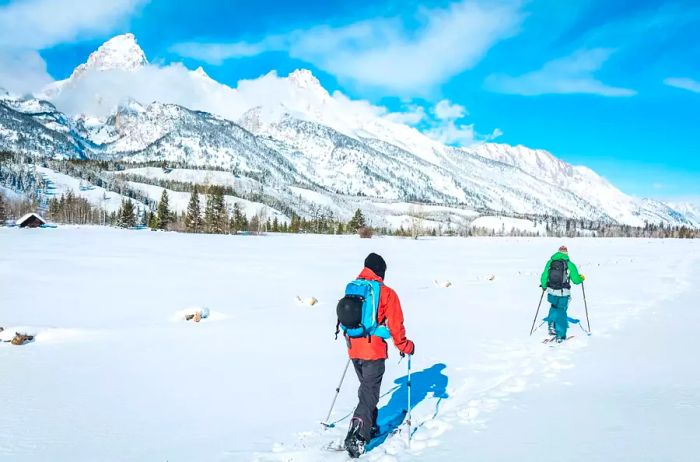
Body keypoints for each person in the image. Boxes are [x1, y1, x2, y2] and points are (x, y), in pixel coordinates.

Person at [344, 253, 415, 458]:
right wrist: (405, 346)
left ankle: (371, 425)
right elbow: (396, 325)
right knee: (369, 393)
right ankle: (357, 435)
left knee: (367, 390)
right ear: (381, 271)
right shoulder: (386, 293)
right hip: (372, 351)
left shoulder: (353, 287)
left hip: (353, 348)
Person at [539, 245, 585, 342]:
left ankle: (551, 325)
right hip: (563, 292)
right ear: (566, 253)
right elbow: (576, 280)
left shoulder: (550, 262)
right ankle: (560, 335)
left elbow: (544, 276)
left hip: (551, 290)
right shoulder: (569, 264)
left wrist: (544, 286)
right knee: (561, 310)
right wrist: (581, 278)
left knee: (553, 307)